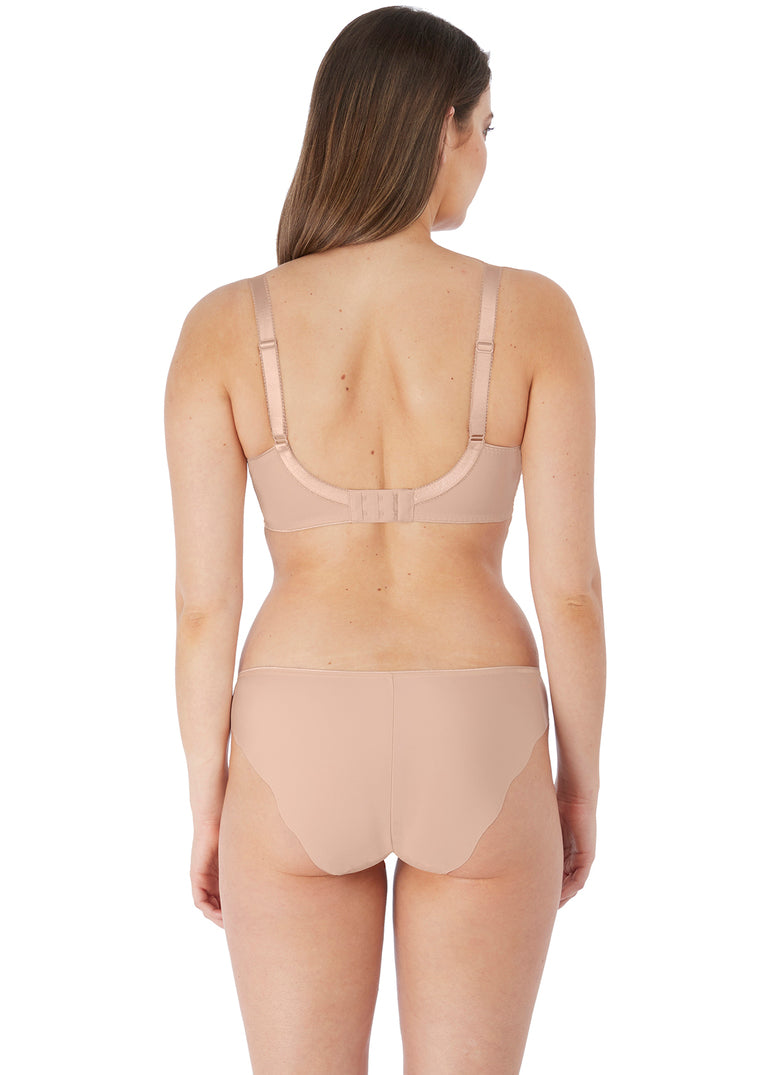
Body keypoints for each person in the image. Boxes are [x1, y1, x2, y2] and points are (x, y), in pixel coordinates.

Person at [164, 6, 605, 1072]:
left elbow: (204, 607)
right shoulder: (535, 314)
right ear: (442, 128)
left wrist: (208, 800)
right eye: (486, 129)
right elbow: (571, 590)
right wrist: (578, 779)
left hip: (294, 729)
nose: (485, 157)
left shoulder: (223, 327)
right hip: (481, 727)